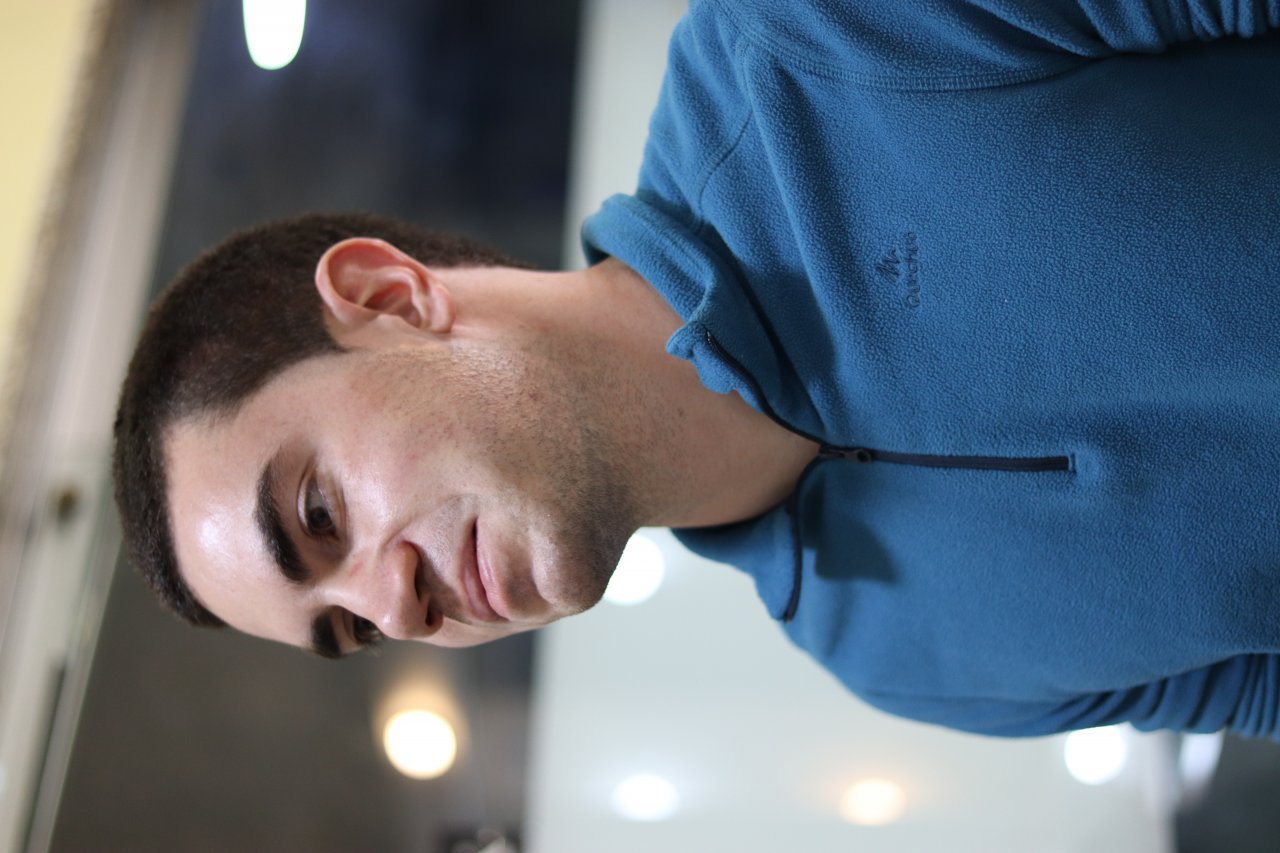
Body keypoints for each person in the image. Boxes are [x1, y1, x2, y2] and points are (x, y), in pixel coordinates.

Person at [114, 0, 1280, 738]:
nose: (393, 607)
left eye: (319, 514)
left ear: (387, 298)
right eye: (352, 631)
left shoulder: (813, 43)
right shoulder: (895, 662)